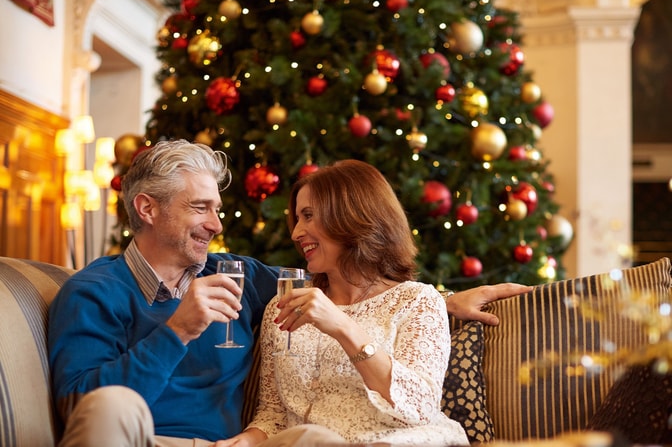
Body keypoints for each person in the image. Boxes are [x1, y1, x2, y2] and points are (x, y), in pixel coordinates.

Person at [48, 140, 529, 447]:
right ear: (147, 208)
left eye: (217, 209)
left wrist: (444, 302)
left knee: (316, 441)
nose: (216, 225)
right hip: (149, 440)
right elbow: (80, 410)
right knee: (113, 405)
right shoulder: (93, 291)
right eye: (200, 207)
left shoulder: (237, 275)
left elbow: (348, 287)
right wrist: (177, 330)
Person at [217, 160, 468, 447]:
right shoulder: (283, 305)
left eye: (308, 216)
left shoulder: (417, 302)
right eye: (297, 218)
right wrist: (244, 441)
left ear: (351, 217)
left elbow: (420, 406)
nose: (296, 233)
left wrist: (342, 327)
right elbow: (274, 415)